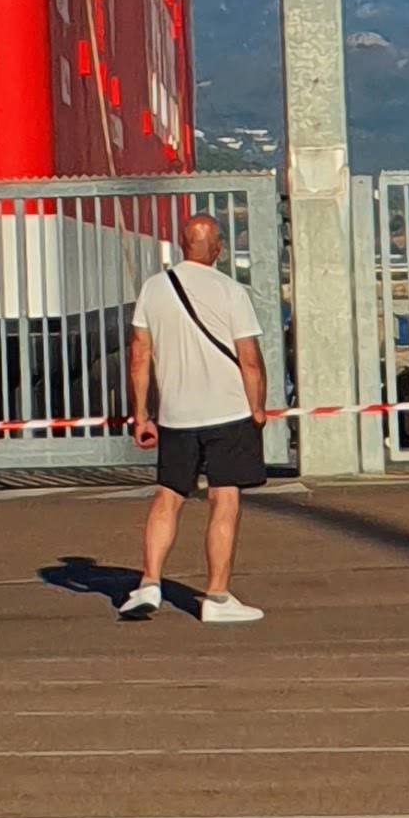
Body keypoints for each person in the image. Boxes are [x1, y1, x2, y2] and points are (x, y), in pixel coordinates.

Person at [119, 212, 271, 623]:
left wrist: (141, 415)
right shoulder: (231, 291)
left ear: (182, 245)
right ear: (217, 249)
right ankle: (216, 597)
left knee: (168, 497)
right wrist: (258, 408)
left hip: (176, 414)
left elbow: (139, 356)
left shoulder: (154, 288)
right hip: (229, 411)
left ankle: (149, 583)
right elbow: (249, 360)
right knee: (224, 498)